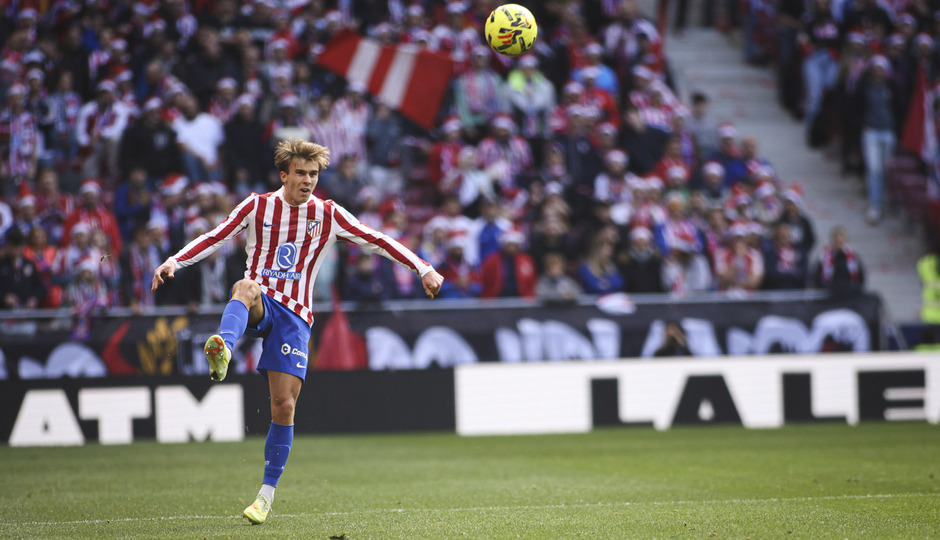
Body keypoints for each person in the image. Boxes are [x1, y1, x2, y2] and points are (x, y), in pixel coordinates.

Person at [150, 139, 444, 525]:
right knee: (245, 287)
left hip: (296, 317)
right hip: (261, 300)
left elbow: (377, 239)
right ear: (284, 174)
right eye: (301, 173)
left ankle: (265, 497)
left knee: (283, 406)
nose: (307, 181)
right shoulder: (257, 206)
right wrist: (175, 261)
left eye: (314, 174)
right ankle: (223, 345)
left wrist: (423, 268)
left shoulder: (328, 214)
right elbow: (216, 235)